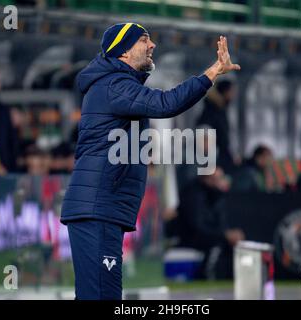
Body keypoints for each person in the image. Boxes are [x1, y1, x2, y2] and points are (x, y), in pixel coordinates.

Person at [60, 22, 240, 300]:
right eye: (144, 40)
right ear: (123, 52)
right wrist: (212, 72)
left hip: (102, 208)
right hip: (98, 208)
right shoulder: (114, 85)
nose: (152, 45)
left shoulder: (116, 85)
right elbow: (167, 104)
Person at [176, 167, 244, 279]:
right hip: (190, 238)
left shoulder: (217, 196)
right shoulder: (193, 195)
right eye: (218, 178)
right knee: (216, 245)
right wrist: (224, 235)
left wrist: (229, 234)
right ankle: (208, 277)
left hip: (211, 236)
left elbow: (221, 223)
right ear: (206, 179)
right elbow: (197, 226)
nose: (222, 181)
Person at [196, 79, 237, 174]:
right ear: (224, 92)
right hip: (216, 160)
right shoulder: (212, 111)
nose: (233, 95)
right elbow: (204, 134)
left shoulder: (220, 110)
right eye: (231, 91)